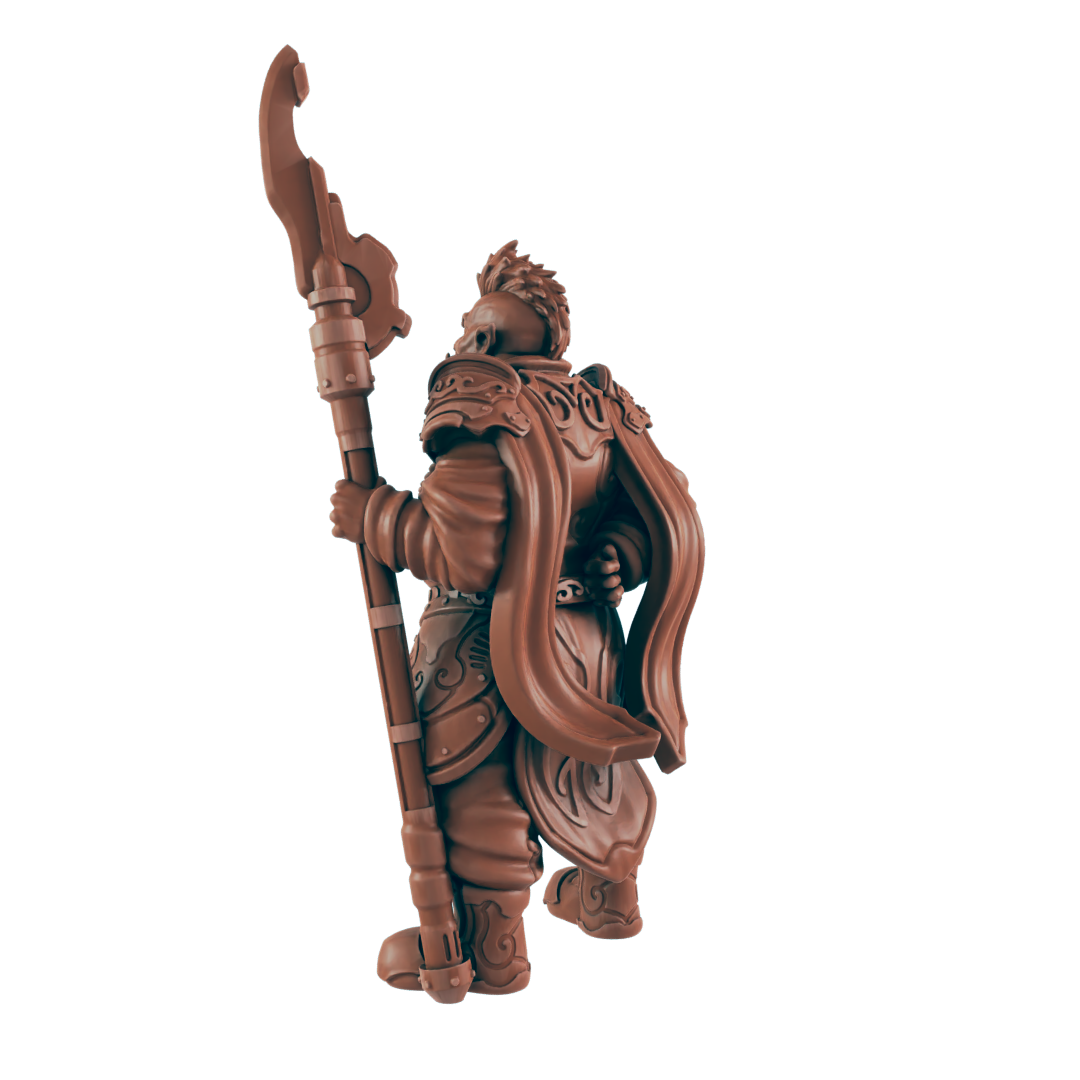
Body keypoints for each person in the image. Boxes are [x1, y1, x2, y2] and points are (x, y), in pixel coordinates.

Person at [328, 241, 705, 995]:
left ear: (486, 337)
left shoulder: (482, 404)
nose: (461, 341)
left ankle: (493, 955)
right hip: (588, 645)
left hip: (485, 648)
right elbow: (654, 507)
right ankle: (608, 899)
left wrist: (375, 516)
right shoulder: (597, 407)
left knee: (481, 790)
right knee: (594, 774)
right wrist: (621, 557)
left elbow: (461, 554)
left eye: (470, 329)